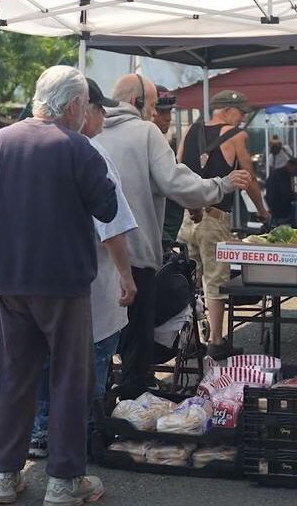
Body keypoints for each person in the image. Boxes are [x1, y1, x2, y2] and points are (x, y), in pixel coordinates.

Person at [0, 65, 116, 505]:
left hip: (11, 280)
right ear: (74, 105)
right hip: (64, 284)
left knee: (14, 378)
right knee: (70, 379)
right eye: (84, 107)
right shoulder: (78, 148)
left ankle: (3, 476)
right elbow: (107, 208)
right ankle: (65, 481)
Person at [97, 77, 250, 396]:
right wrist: (221, 185)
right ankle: (130, 405)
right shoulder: (145, 132)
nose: (154, 114)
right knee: (137, 338)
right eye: (152, 106)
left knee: (98, 339)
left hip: (95, 258)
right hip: (135, 253)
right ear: (137, 102)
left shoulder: (90, 133)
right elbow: (177, 182)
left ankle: (96, 405)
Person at [28, 78, 138, 459]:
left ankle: (41, 431)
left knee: (44, 360)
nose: (103, 115)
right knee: (91, 361)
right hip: (88, 284)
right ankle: (81, 437)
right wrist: (127, 274)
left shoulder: (24, 147)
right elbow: (112, 224)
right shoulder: (90, 153)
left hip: (32, 281)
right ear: (78, 107)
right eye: (97, 107)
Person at [175, 89, 269, 361]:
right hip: (215, 218)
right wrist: (262, 211)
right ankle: (216, 340)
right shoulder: (236, 135)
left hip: (187, 216)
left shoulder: (190, 131)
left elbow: (179, 171)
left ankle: (188, 337)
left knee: (188, 281)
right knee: (215, 280)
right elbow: (247, 178)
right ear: (226, 110)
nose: (241, 119)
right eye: (240, 112)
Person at [153, 84, 186, 247]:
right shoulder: (142, 145)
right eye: (161, 111)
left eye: (169, 111)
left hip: (166, 235)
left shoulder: (162, 145)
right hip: (156, 235)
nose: (168, 117)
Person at [266, 157, 297, 227]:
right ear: (290, 165)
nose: (296, 172)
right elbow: (286, 194)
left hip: (272, 207)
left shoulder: (276, 172)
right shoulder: (283, 175)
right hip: (279, 209)